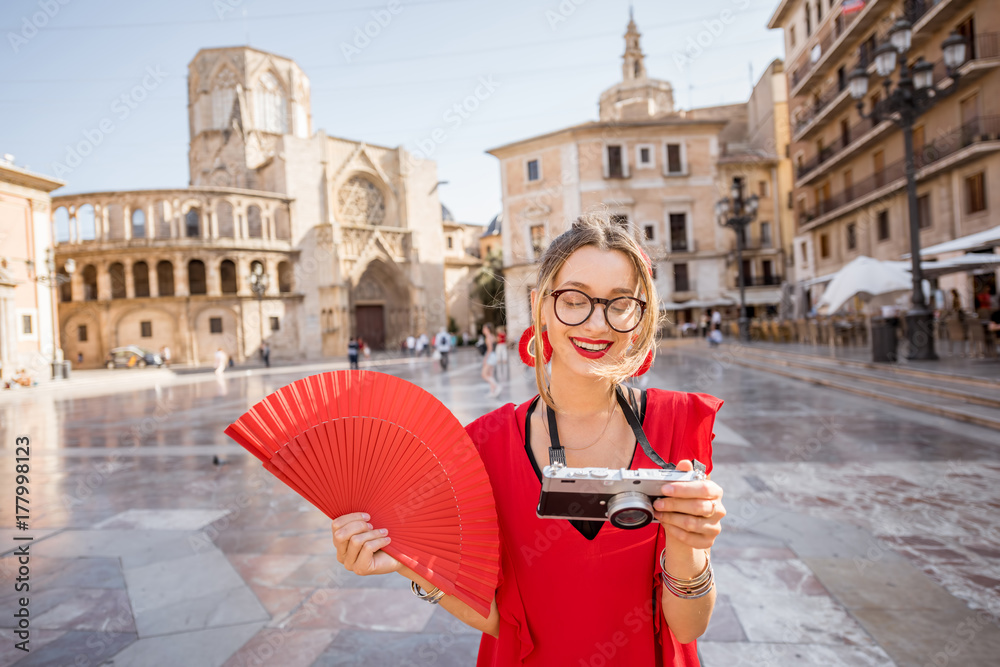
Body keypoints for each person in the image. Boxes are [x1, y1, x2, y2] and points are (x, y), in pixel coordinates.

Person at [329, 213, 725, 665]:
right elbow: (501, 620)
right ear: (540, 305)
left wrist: (690, 543)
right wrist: (413, 564)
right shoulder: (482, 448)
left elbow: (688, 626)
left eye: (619, 303)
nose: (597, 324)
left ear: (639, 318)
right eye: (574, 299)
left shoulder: (677, 424)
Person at [481, 323, 500, 398]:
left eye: (484, 328)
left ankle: (497, 386)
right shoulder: (492, 336)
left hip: (490, 356)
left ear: (488, 329)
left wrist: (485, 359)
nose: (483, 330)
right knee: (490, 374)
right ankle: (492, 391)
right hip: (493, 355)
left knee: (484, 374)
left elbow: (490, 349)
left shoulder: (488, 337)